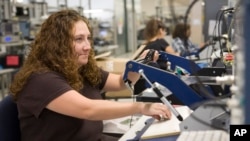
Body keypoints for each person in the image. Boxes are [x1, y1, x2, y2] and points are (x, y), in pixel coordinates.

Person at [9, 9, 171, 141]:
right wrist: (141, 107)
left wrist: (138, 65)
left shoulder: (81, 69)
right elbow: (88, 109)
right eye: (79, 39)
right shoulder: (40, 79)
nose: (87, 46)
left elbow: (119, 83)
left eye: (88, 38)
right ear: (57, 44)